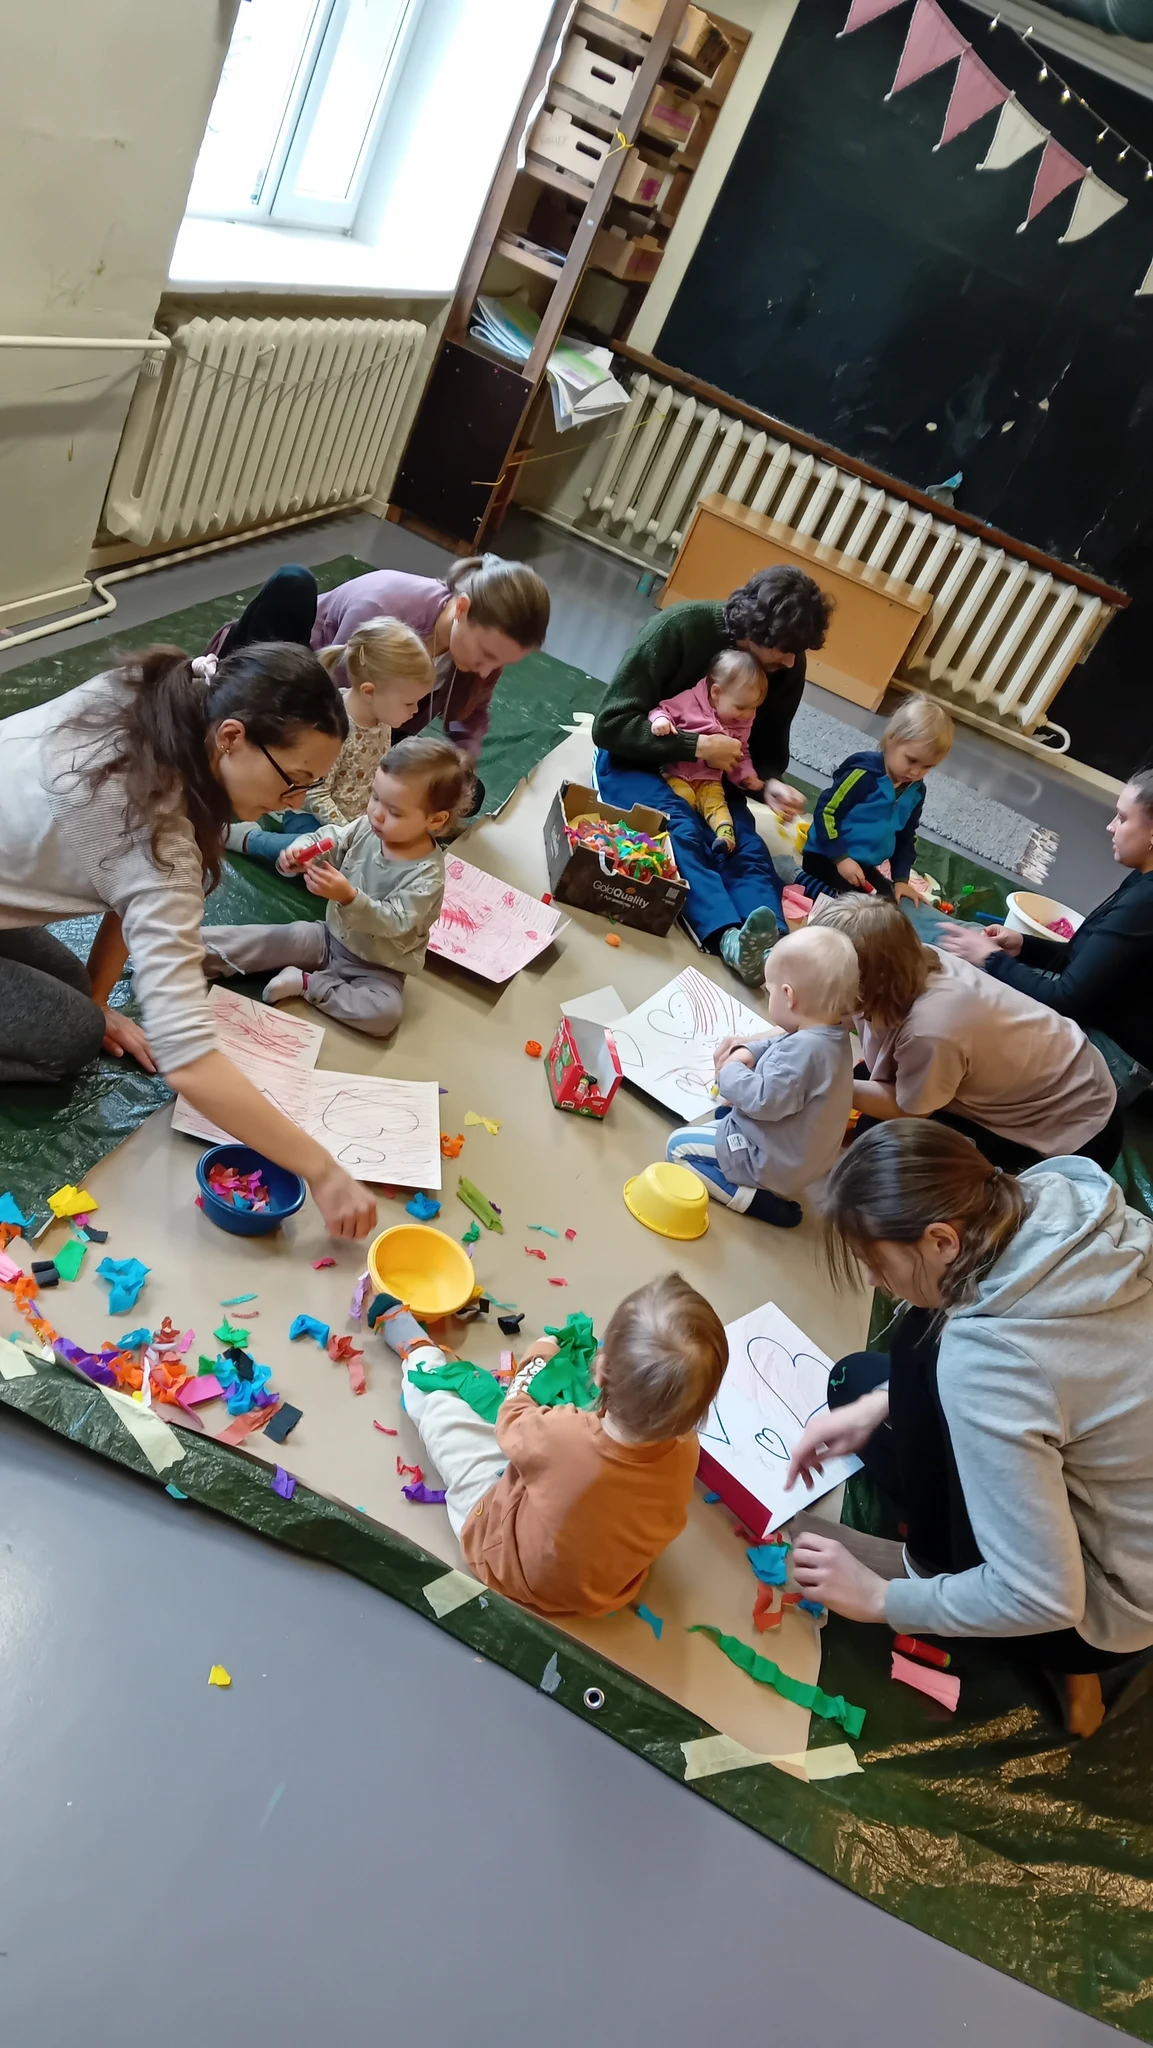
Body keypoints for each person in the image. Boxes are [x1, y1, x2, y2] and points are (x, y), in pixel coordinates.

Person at [785, 1120, 1153, 1736]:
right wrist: (882, 1405)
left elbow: (1045, 1598)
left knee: (918, 1351)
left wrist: (880, 1600)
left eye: (875, 1262)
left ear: (941, 1241)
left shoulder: (990, 1361)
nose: (872, 1281)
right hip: (1130, 1528)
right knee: (870, 1374)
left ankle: (929, 1572)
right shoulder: (1053, 1193)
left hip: (1099, 1605)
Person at [0, 641, 376, 1237]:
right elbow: (190, 1063)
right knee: (71, 1037)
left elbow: (127, 899)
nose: (296, 803)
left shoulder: (166, 692)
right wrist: (323, 1170)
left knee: (78, 996)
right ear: (231, 737)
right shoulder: (152, 839)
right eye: (292, 781)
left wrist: (96, 1004)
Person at [374, 1276, 727, 1618]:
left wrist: (536, 1359)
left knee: (444, 1417)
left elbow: (511, 1416)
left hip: (510, 1565)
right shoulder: (687, 1450)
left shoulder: (564, 1436)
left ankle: (417, 1351)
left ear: (601, 1371)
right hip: (602, 1589)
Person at [592, 566, 833, 985]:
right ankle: (727, 936)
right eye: (786, 650)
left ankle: (771, 946)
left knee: (744, 845)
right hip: (639, 761)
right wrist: (696, 746)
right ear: (756, 632)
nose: (792, 662)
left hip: (714, 776)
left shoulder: (786, 663)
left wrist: (769, 784)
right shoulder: (678, 628)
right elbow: (610, 725)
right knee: (679, 831)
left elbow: (766, 750)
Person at [810, 891, 1121, 1171]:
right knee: (860, 1081)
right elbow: (841, 1016)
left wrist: (827, 1083)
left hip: (1074, 1128)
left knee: (874, 1149)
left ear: (867, 981)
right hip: (1056, 1070)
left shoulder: (929, 1031)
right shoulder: (906, 962)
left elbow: (909, 1111)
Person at [203, 736, 471, 1040]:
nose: (377, 813)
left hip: (378, 967)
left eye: (395, 812)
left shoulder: (428, 875)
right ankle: (191, 951)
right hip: (329, 937)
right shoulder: (366, 828)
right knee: (264, 939)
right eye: (375, 797)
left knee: (384, 1014)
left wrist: (348, 897)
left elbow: (395, 922)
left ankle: (308, 984)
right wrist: (301, 852)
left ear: (435, 820)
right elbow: (331, 839)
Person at [210, 552, 550, 768]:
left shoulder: (482, 657)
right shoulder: (384, 605)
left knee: (453, 787)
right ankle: (223, 690)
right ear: (462, 608)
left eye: (501, 663)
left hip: (374, 721)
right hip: (303, 685)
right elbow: (330, 696)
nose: (488, 671)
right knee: (294, 583)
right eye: (488, 655)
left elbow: (471, 716)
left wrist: (463, 756)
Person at [938, 767, 1153, 1104]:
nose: (1111, 826)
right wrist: (1022, 945)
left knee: (964, 1032)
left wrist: (990, 958)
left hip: (1109, 1057)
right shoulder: (1143, 877)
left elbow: (1064, 998)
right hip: (1093, 1016)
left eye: (1123, 818)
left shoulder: (1145, 902)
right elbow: (1093, 962)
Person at [665, 926, 858, 1228]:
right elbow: (783, 1040)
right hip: (799, 1156)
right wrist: (750, 1051)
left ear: (788, 996)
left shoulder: (804, 1050)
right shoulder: (831, 1033)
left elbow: (761, 1101)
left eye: (770, 990)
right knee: (721, 1119)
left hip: (771, 1162)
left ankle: (753, 1200)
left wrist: (730, 1070)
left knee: (677, 1146)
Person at [226, 617, 433, 868]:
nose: (416, 710)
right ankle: (249, 839)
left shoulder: (383, 722)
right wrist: (347, 832)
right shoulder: (336, 730)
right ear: (369, 692)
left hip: (353, 819)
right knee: (320, 855)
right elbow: (314, 794)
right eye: (409, 703)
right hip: (311, 817)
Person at [798, 694, 953, 901]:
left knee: (885, 901)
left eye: (927, 767)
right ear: (891, 739)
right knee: (851, 901)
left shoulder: (916, 791)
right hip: (825, 856)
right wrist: (840, 858)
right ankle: (796, 875)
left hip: (863, 865)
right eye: (911, 760)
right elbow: (826, 812)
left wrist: (901, 879)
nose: (916, 772)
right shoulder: (864, 775)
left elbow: (906, 836)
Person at [649, 648, 767, 856]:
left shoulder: (742, 721)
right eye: (741, 707)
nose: (747, 715)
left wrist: (747, 776)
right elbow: (661, 710)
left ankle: (725, 837)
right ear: (716, 693)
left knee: (717, 806)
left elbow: (741, 753)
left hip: (709, 780)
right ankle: (685, 834)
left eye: (753, 708)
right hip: (676, 774)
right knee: (681, 798)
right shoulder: (689, 702)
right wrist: (661, 721)